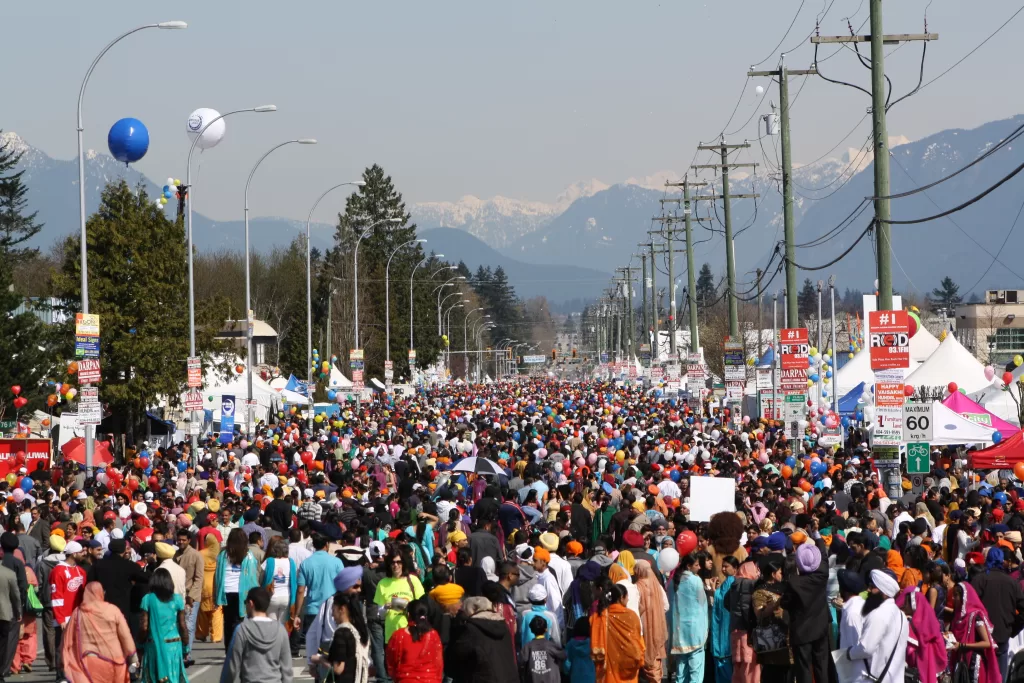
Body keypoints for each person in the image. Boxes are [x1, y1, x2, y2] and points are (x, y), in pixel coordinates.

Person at [60, 582, 138, 683]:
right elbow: (125, 636)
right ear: (102, 593)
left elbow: (67, 640)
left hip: (88, 661)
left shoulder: (78, 613)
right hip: (114, 661)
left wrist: (63, 661)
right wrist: (133, 658)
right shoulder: (113, 610)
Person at [843, 569, 908, 683]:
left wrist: (848, 653)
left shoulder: (878, 614)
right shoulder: (901, 615)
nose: (868, 590)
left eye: (872, 587)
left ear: (883, 593)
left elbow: (866, 648)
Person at [970, 546, 1024, 679]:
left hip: (981, 638)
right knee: (1000, 675)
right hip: (1002, 635)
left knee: (983, 675)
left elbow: (970, 608)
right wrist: (1013, 628)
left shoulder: (979, 580)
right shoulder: (1011, 583)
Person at [781, 542, 830, 683]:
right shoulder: (822, 575)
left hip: (802, 631)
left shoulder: (793, 582)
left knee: (804, 668)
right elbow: (824, 558)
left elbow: (785, 603)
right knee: (821, 666)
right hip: (820, 628)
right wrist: (817, 538)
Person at [221, 586, 293, 683]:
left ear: (251, 603)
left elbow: (231, 666)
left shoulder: (242, 629)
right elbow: (286, 668)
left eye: (245, 602)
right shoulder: (280, 630)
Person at [445, 597, 517, 683]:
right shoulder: (503, 626)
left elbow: (454, 660)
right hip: (509, 678)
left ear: (471, 610)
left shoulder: (470, 629)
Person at [215, 528, 260, 652]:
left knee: (228, 621)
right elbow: (252, 575)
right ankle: (238, 648)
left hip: (226, 591)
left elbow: (217, 575)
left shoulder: (223, 554)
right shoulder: (248, 555)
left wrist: (216, 593)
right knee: (240, 620)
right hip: (243, 593)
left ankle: (229, 648)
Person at [139, 568, 188, 683]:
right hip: (174, 647)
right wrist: (186, 647)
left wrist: (139, 645)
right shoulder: (177, 599)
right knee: (173, 678)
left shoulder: (147, 600)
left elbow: (144, 627)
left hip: (153, 646)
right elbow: (182, 626)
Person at [293, 534, 344, 640]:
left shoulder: (306, 563)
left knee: (313, 645)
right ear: (327, 545)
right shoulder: (337, 562)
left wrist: (297, 613)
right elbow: (343, 586)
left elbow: (301, 590)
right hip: (332, 609)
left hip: (312, 609)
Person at [949, 581, 1001, 683]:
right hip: (961, 662)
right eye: (952, 595)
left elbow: (986, 643)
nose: (953, 598)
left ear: (964, 597)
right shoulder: (957, 617)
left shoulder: (975, 616)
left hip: (974, 663)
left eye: (956, 595)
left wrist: (963, 645)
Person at [592, 584, 644, 683]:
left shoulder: (599, 617)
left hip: (607, 674)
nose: (628, 600)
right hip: (628, 672)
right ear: (621, 598)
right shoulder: (631, 616)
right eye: (627, 597)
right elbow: (638, 643)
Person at [52, 540, 87, 683]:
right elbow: (56, 597)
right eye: (81, 552)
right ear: (73, 554)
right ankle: (61, 674)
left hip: (78, 616)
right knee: (61, 646)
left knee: (77, 646)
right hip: (63, 617)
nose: (84, 554)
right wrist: (60, 619)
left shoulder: (81, 571)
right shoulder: (58, 571)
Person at [373, 550, 425, 644]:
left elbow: (422, 606)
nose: (395, 565)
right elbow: (380, 614)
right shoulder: (382, 583)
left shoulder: (413, 580)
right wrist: (385, 607)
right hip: (391, 635)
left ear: (403, 563)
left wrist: (408, 607)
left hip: (411, 632)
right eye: (392, 562)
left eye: (398, 562)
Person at [895, 586, 946, 683]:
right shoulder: (931, 621)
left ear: (913, 604)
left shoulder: (912, 624)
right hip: (929, 665)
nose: (904, 606)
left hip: (915, 668)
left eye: (906, 603)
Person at [670, 552, 708, 683]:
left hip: (680, 628)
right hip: (695, 628)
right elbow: (702, 602)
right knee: (696, 670)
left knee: (681, 669)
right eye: (696, 565)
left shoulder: (675, 580)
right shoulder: (695, 580)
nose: (699, 567)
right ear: (688, 566)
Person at [751, 560, 791, 683]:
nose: (782, 575)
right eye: (780, 572)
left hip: (787, 638)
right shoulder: (760, 592)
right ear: (773, 574)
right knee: (773, 673)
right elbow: (759, 614)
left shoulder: (784, 588)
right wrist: (776, 603)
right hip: (772, 641)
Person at [385, 599, 443, 683]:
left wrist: (396, 677)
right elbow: (438, 663)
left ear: (408, 615)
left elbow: (391, 661)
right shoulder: (433, 635)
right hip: (431, 679)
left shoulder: (399, 635)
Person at [174, 527, 204, 666]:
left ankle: (187, 654)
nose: (180, 542)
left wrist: (191, 596)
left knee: (189, 626)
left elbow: (199, 578)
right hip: (177, 595)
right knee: (178, 625)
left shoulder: (196, 555)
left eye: (183, 540)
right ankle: (179, 653)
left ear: (189, 541)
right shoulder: (174, 555)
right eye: (179, 540)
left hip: (191, 596)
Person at [634, 562, 667, 683]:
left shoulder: (637, 587)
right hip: (657, 627)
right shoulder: (657, 586)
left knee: (645, 658)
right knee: (655, 659)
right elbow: (666, 606)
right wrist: (656, 615)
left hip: (643, 628)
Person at [260, 537, 297, 627]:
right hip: (286, 598)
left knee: (271, 625)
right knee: (282, 626)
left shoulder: (269, 561)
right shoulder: (291, 562)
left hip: (272, 597)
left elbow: (261, 577)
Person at [519, 615, 565, 683]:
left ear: (531, 630)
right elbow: (563, 655)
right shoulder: (551, 645)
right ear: (546, 629)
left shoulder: (527, 647)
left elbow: (521, 661)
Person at [196, 532, 222, 643]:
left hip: (203, 585)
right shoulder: (220, 555)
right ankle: (215, 636)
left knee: (202, 611)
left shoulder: (200, 554)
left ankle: (202, 633)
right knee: (217, 611)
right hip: (216, 585)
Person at [563, 617, 596, 683]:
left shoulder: (570, 644)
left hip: (576, 677)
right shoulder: (593, 644)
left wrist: (566, 672)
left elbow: (567, 664)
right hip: (591, 677)